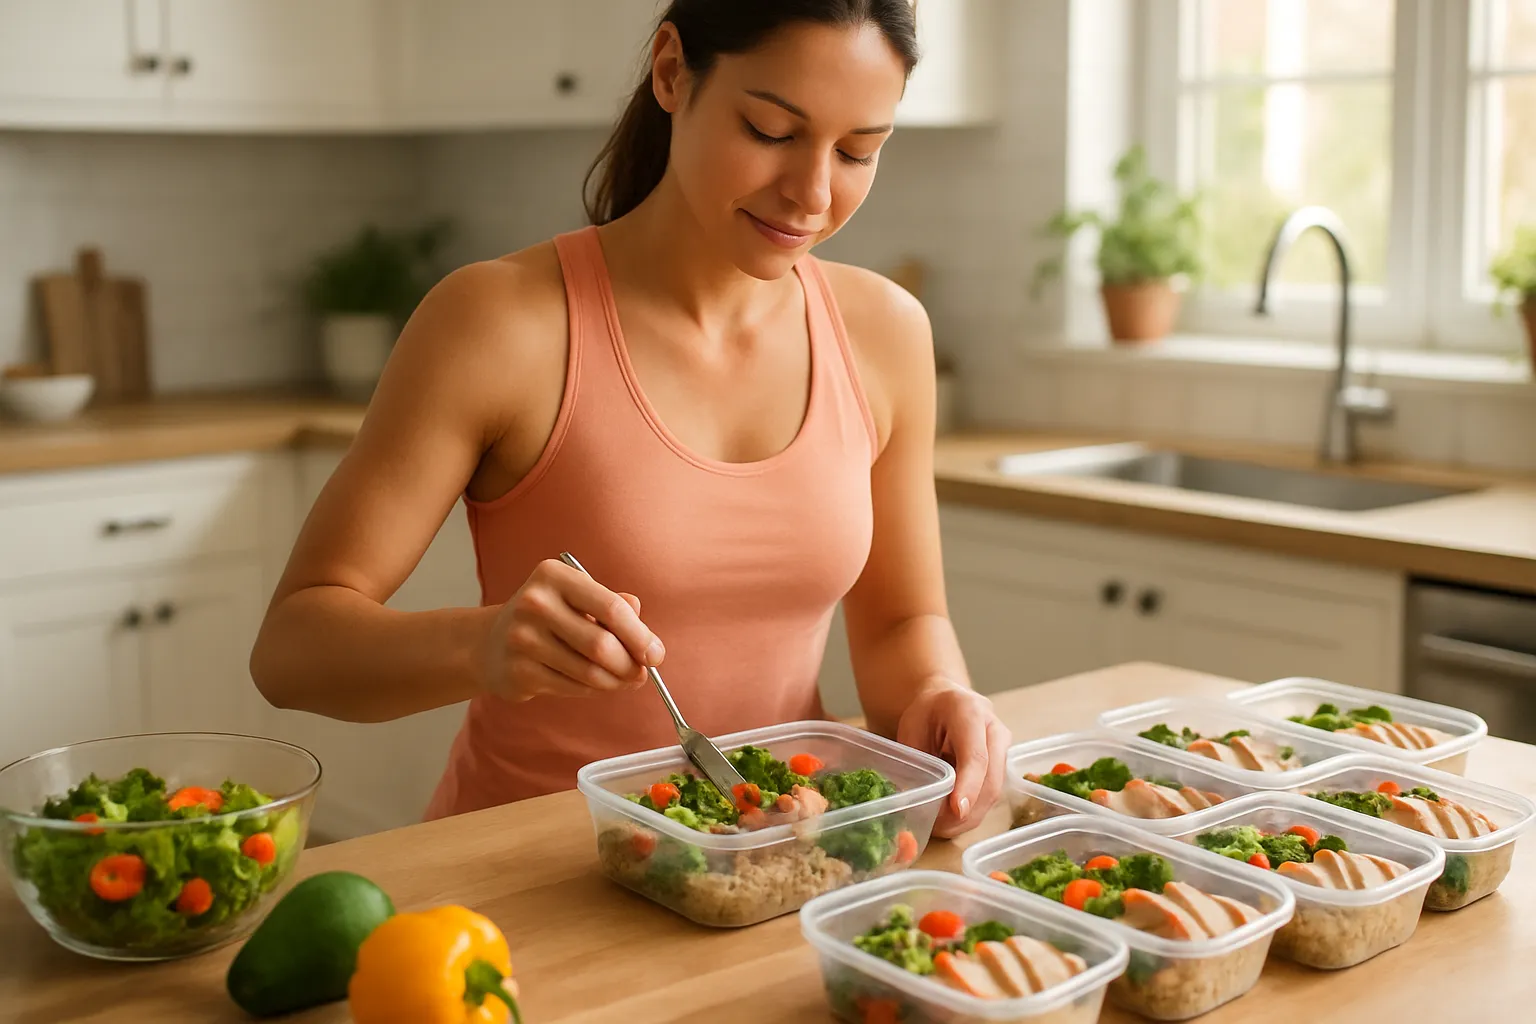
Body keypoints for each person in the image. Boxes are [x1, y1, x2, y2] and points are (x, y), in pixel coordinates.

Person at [250, 0, 1010, 837]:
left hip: (773, 863)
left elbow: (904, 621)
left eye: (860, 151)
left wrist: (941, 693)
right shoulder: (499, 322)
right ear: (672, 71)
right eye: (769, 130)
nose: (814, 194)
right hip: (527, 879)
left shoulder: (886, 332)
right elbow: (293, 652)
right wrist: (484, 647)